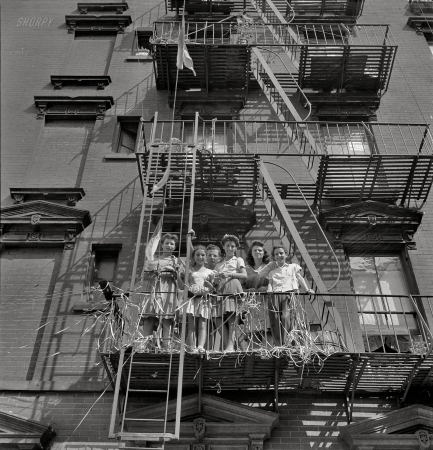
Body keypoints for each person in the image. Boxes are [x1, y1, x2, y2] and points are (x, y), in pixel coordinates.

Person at [257, 245, 315, 347]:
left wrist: (307, 289)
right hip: (274, 296)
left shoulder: (293, 267)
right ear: (274, 257)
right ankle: (279, 344)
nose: (279, 255)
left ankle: (286, 343)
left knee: (286, 317)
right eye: (276, 254)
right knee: (275, 320)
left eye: (281, 253)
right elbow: (264, 277)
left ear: (286, 255)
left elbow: (300, 277)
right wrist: (269, 288)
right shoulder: (272, 270)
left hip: (288, 295)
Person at [140, 233, 183, 351]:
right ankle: (145, 346)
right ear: (162, 245)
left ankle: (166, 346)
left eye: (172, 244)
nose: (169, 246)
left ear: (175, 247)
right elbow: (145, 278)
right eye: (167, 243)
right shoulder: (153, 260)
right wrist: (153, 270)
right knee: (149, 317)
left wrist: (175, 272)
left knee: (167, 318)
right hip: (154, 290)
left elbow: (181, 284)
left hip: (169, 291)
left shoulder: (177, 261)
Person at [214, 234, 247, 352]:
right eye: (227, 245)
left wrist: (229, 274)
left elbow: (244, 275)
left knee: (232, 317)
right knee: (217, 317)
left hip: (233, 286)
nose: (230, 248)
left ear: (236, 248)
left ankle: (230, 346)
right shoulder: (219, 264)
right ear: (223, 246)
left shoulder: (238, 260)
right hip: (221, 289)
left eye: (233, 246)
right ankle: (229, 343)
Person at [181, 245, 215, 353]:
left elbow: (212, 288)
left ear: (206, 257)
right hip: (192, 299)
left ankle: (200, 346)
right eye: (198, 255)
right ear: (194, 257)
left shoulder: (210, 272)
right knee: (191, 324)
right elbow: (185, 285)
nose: (200, 257)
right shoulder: (190, 271)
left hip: (204, 300)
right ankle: (192, 346)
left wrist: (208, 288)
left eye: (203, 255)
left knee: (203, 324)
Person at [243, 241, 275, 348]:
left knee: (268, 330)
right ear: (251, 253)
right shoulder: (246, 269)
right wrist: (249, 291)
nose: (257, 252)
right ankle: (255, 356)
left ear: (263, 253)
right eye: (255, 250)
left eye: (260, 250)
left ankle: (269, 353)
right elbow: (241, 287)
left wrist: (266, 288)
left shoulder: (269, 267)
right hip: (252, 305)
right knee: (254, 332)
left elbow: (276, 283)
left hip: (266, 304)